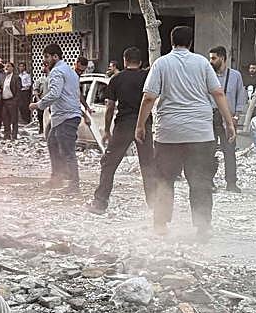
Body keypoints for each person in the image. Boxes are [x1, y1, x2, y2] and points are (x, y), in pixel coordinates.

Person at [135, 25, 235, 240]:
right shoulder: (202, 63)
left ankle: (161, 224)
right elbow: (218, 92)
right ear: (191, 42)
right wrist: (229, 123)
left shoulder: (161, 63)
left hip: (168, 133)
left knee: (164, 178)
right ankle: (202, 226)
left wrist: (140, 125)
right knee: (200, 181)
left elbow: (149, 97)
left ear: (171, 41)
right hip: (200, 133)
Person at [90, 47, 154, 213]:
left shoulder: (116, 79)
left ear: (125, 60)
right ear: (140, 62)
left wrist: (106, 130)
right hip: (144, 125)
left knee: (109, 163)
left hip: (124, 125)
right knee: (148, 165)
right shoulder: (148, 78)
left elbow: (110, 107)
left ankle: (100, 203)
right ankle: (155, 205)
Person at [31, 44, 82, 192]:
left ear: (55, 56)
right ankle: (57, 177)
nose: (45, 60)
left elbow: (54, 94)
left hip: (65, 116)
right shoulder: (70, 71)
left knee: (67, 151)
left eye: (47, 57)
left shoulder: (57, 71)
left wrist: (38, 105)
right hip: (66, 116)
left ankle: (73, 184)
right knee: (52, 142)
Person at [209, 45, 246, 193]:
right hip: (210, 117)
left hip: (228, 118)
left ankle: (231, 183)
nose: (210, 61)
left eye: (213, 58)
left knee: (229, 151)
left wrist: (237, 116)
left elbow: (240, 96)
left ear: (222, 58)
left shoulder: (235, 75)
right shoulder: (207, 74)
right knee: (208, 151)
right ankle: (208, 181)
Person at [1, 61, 22, 140]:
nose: (6, 68)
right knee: (5, 119)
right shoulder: (4, 77)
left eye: (8, 66)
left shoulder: (16, 77)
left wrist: (15, 101)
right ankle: (7, 135)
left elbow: (19, 91)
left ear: (12, 68)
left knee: (14, 119)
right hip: (4, 101)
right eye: (5, 66)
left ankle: (14, 135)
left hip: (12, 101)